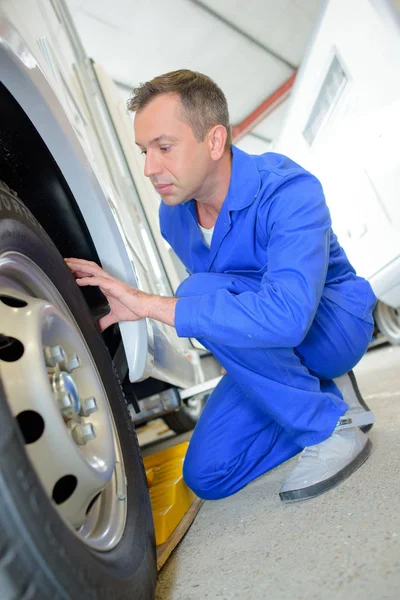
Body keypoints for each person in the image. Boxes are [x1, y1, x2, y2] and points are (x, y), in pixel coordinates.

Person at [66, 69, 377, 503]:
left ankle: (331, 429)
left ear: (214, 141)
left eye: (164, 147)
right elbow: (229, 297)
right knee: (208, 474)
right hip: (270, 345)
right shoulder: (173, 216)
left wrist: (153, 305)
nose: (149, 168)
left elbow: (287, 316)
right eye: (143, 151)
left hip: (330, 327)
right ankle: (331, 397)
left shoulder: (289, 190)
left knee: (194, 293)